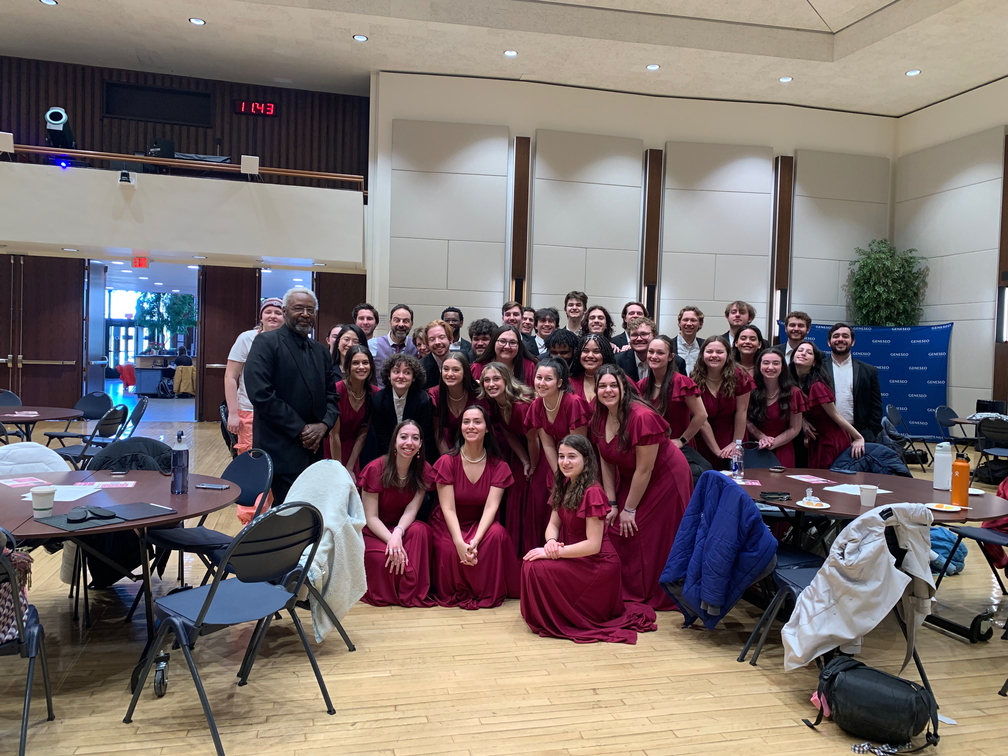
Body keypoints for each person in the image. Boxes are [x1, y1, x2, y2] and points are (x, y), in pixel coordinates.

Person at [520, 434, 657, 644]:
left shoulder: (593, 492)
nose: (565, 462)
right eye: (561, 456)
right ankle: (554, 617)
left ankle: (562, 618)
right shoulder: (564, 485)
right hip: (577, 556)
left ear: (586, 459)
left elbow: (593, 546)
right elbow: (553, 525)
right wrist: (550, 543)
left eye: (572, 457)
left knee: (536, 567)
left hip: (598, 564)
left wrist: (554, 553)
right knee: (530, 563)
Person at [590, 365, 692, 610]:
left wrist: (630, 508)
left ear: (625, 388)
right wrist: (613, 503)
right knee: (616, 528)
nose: (608, 390)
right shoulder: (600, 413)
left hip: (665, 477)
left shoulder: (642, 416)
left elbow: (645, 469)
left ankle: (660, 591)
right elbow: (605, 459)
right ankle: (625, 588)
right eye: (602, 386)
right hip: (632, 475)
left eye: (613, 385)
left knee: (644, 530)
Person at [244, 288, 339, 504]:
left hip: (314, 448)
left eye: (310, 309)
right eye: (299, 308)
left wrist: (324, 425)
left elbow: (332, 395)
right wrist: (302, 429)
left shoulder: (321, 351)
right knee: (288, 513)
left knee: (312, 510)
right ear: (285, 312)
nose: (305, 313)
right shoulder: (266, 343)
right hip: (281, 447)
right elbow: (261, 393)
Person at [430, 405, 520, 609]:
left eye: (477, 422)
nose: (471, 426)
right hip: (448, 523)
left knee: (497, 535)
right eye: (466, 422)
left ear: (487, 428)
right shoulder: (447, 462)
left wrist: (475, 541)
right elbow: (448, 509)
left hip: (480, 523)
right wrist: (460, 542)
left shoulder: (499, 465)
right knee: (451, 549)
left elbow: (491, 508)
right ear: (461, 427)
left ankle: (486, 590)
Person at [359, 420, 436, 607]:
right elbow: (371, 518)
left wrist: (399, 533)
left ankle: (413, 591)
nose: (409, 442)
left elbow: (411, 509)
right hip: (374, 530)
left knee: (422, 531)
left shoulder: (423, 469)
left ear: (420, 444)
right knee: (382, 559)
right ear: (395, 442)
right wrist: (391, 540)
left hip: (401, 528)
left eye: (415, 438)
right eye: (404, 437)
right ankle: (394, 594)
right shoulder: (375, 469)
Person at [479, 362, 537, 554]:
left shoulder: (521, 406)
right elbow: (509, 433)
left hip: (540, 453)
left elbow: (534, 440)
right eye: (486, 380)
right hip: (522, 454)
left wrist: (533, 466)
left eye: (496, 379)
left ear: (506, 380)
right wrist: (524, 461)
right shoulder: (495, 403)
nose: (491, 384)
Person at [224, 297, 284, 455]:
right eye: (268, 312)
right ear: (261, 317)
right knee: (252, 459)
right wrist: (233, 413)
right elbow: (230, 376)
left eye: (278, 313)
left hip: (280, 412)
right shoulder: (246, 338)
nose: (273, 316)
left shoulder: (288, 342)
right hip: (249, 410)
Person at [791, 340, 865, 468]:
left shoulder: (817, 386)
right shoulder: (793, 382)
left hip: (831, 440)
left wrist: (858, 437)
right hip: (816, 439)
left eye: (809, 352)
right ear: (793, 356)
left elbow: (836, 415)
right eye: (800, 350)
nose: (803, 354)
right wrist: (802, 422)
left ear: (814, 362)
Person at [691, 335, 755, 470]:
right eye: (709, 352)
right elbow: (701, 420)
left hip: (732, 435)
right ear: (702, 354)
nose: (714, 355)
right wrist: (716, 450)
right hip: (704, 439)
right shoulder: (693, 379)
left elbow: (741, 412)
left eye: (720, 352)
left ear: (728, 355)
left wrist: (735, 443)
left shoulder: (740, 376)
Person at [368, 353, 438, 466]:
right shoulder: (378, 399)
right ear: (389, 375)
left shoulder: (423, 399)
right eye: (396, 371)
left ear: (414, 377)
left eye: (407, 372)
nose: (401, 376)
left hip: (416, 454)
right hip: (386, 455)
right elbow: (382, 437)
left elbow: (424, 435)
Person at [637, 336, 706, 448]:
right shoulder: (641, 385)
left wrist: (682, 440)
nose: (654, 356)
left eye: (660, 353)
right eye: (651, 352)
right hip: (652, 448)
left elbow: (701, 415)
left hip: (679, 448)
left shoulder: (683, 382)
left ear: (670, 357)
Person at [747, 347, 806, 468]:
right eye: (766, 363)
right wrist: (762, 438)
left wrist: (772, 443)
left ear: (782, 367)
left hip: (782, 449)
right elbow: (744, 420)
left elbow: (795, 428)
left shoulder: (794, 393)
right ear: (759, 366)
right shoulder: (750, 389)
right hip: (754, 448)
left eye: (776, 363)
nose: (770, 367)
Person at [824, 323, 883, 442]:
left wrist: (869, 433)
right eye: (836, 336)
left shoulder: (868, 371)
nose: (840, 339)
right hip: (825, 434)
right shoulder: (818, 368)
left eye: (845, 336)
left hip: (859, 435)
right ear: (829, 342)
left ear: (853, 342)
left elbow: (875, 406)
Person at [329, 345, 377, 474]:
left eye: (365, 363)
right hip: (333, 448)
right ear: (348, 367)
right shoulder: (336, 391)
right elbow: (334, 435)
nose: (361, 367)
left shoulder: (375, 393)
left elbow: (363, 433)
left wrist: (350, 466)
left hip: (357, 451)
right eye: (355, 363)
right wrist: (339, 469)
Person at [429, 352, 481, 455]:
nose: (449, 374)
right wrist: (447, 459)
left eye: (456, 370)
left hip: (477, 445)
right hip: (445, 447)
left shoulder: (478, 394)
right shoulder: (434, 395)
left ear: (465, 372)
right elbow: (438, 434)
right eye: (446, 369)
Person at [615, 316, 684, 382]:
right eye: (634, 335)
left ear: (655, 336)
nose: (639, 339)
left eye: (644, 334)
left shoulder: (677, 362)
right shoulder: (618, 361)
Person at [472, 324, 538, 386]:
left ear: (519, 346)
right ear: (493, 343)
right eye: (502, 341)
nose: (507, 346)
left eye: (512, 342)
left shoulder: (530, 366)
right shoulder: (478, 368)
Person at [368, 304, 417, 385]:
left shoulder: (416, 346)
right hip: (379, 395)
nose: (401, 324)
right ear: (390, 322)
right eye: (397, 320)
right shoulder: (372, 345)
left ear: (411, 324)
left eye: (406, 321)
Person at [569, 333, 616, 404]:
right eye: (585, 351)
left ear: (605, 354)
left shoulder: (619, 382)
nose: (590, 355)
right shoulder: (569, 383)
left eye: (596, 351)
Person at [420, 319, 454, 390]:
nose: (437, 342)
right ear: (427, 344)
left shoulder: (464, 359)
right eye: (432, 339)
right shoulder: (420, 368)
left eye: (441, 337)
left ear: (450, 339)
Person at [673, 306, 705, 375]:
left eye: (693, 320)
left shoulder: (705, 346)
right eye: (685, 320)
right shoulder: (668, 346)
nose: (689, 323)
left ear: (700, 324)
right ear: (679, 323)